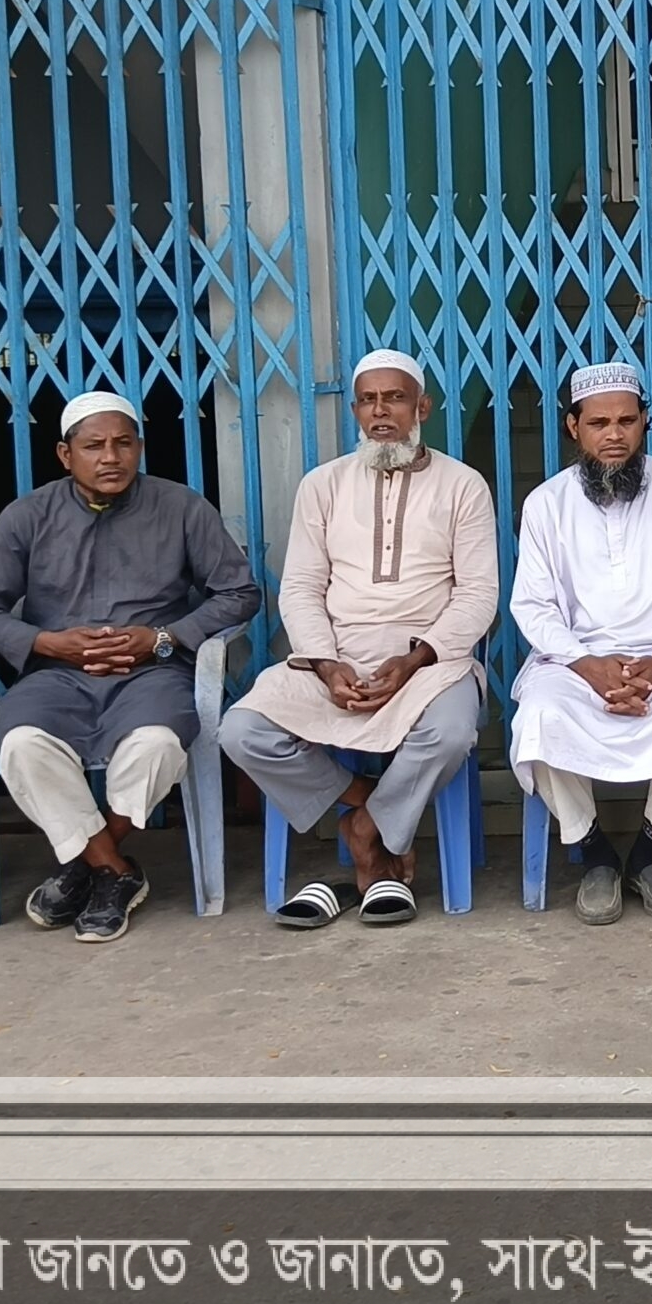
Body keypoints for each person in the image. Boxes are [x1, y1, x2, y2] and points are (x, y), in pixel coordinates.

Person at [0, 390, 261, 943]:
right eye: (94, 446)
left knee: (157, 745)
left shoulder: (181, 507)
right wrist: (46, 642)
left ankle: (87, 864)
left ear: (139, 448)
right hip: (55, 676)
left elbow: (239, 593)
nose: (111, 457)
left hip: (152, 672)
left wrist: (164, 637)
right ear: (65, 454)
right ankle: (114, 869)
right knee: (22, 745)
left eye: (123, 443)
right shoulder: (28, 516)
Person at [221, 351, 499, 929]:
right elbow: (301, 587)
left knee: (449, 733)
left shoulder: (463, 485)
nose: (380, 412)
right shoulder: (322, 485)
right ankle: (366, 801)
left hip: (429, 662)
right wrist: (326, 665)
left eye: (395, 398)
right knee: (242, 731)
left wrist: (414, 659)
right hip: (337, 656)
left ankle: (367, 830)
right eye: (368, 401)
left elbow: (478, 595)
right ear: (354, 410)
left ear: (422, 408)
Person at [509, 362, 652, 925]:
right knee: (539, 715)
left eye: (626, 421)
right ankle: (593, 853)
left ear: (645, 422)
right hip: (575, 661)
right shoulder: (545, 504)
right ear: (573, 427)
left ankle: (650, 851)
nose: (614, 435)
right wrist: (588, 665)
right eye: (598, 423)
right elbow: (533, 606)